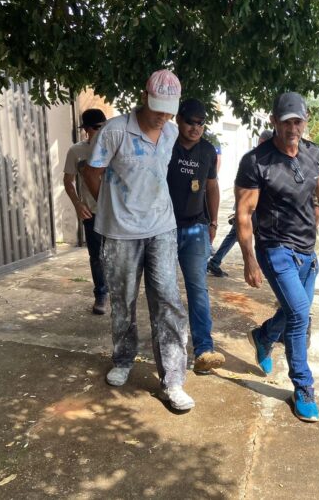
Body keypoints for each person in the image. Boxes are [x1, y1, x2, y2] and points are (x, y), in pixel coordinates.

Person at [83, 69, 194, 411]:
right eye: (158, 108)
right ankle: (123, 359)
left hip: (162, 228)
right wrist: (112, 209)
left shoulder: (171, 132)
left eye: (169, 110)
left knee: (168, 301)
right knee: (123, 301)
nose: (163, 116)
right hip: (120, 234)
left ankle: (173, 379)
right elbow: (91, 172)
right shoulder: (115, 131)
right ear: (144, 97)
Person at [235, 92, 319, 422]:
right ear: (274, 122)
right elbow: (244, 213)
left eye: (298, 122)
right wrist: (249, 259)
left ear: (305, 121)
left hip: (306, 251)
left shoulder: (314, 154)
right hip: (275, 249)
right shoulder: (256, 161)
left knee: (293, 311)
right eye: (286, 122)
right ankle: (303, 386)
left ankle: (264, 336)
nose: (292, 128)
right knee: (300, 315)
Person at [167, 99, 225, 374]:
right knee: (164, 291)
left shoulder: (207, 150)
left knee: (198, 289)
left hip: (196, 228)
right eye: (190, 122)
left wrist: (213, 221)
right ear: (178, 119)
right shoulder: (166, 144)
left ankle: (204, 350)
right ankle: (169, 349)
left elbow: (212, 187)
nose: (195, 128)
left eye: (201, 123)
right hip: (163, 228)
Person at [207, 129, 273, 278]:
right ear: (262, 141)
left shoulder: (265, 157)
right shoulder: (253, 159)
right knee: (245, 234)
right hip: (250, 206)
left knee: (238, 234)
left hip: (255, 206)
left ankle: (215, 261)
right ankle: (216, 262)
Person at [63, 108, 108, 315]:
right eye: (98, 127)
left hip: (116, 212)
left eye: (104, 126)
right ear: (87, 129)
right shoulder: (76, 151)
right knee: (96, 256)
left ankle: (120, 293)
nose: (102, 131)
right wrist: (77, 204)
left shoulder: (114, 148)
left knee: (119, 255)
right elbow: (68, 181)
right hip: (91, 212)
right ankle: (101, 294)